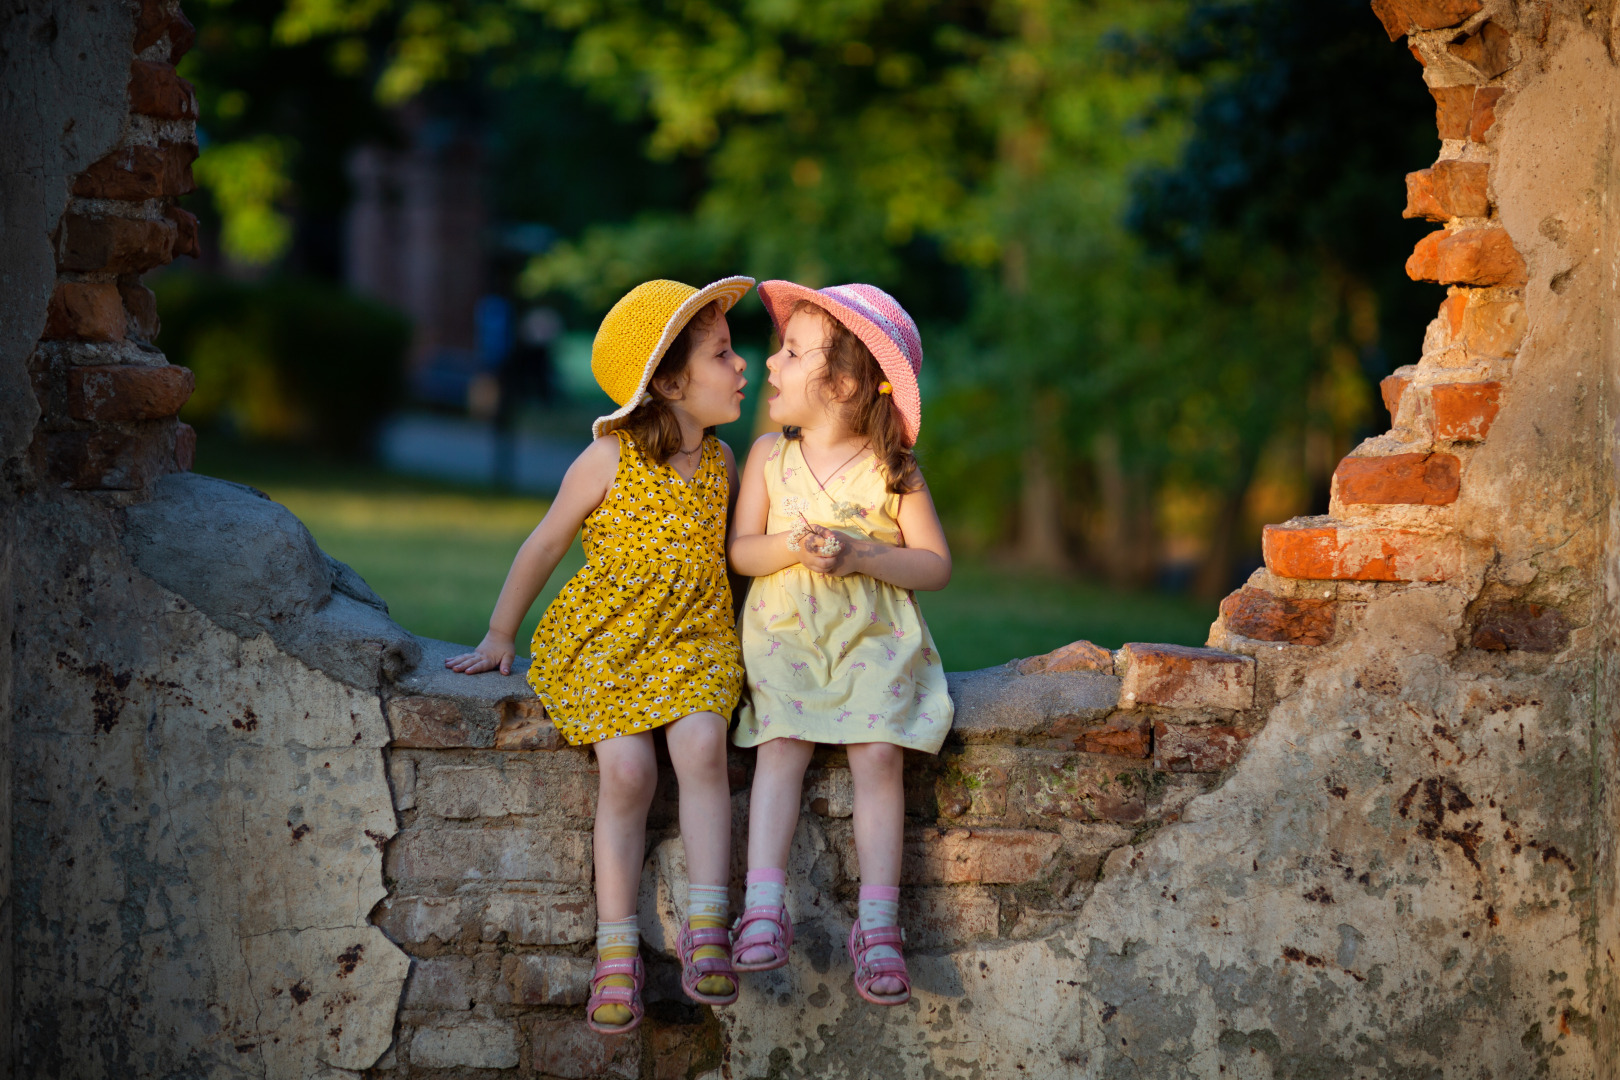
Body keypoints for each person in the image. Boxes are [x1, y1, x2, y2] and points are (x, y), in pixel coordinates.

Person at [446, 276, 754, 1034]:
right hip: (609, 647)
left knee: (704, 748)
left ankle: (707, 927)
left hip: (692, 645)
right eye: (724, 353)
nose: (742, 365)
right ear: (671, 380)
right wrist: (498, 634)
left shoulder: (723, 466)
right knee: (628, 771)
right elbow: (544, 543)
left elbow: (736, 568)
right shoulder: (608, 460)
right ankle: (615, 948)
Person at [727, 282, 953, 1006]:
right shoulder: (769, 455)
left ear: (846, 383)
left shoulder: (895, 470)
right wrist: (794, 545)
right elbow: (742, 555)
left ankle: (879, 925)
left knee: (880, 756)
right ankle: (764, 907)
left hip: (870, 643)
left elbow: (935, 565)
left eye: (792, 352)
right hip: (790, 641)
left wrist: (862, 554)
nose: (769, 363)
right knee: (781, 748)